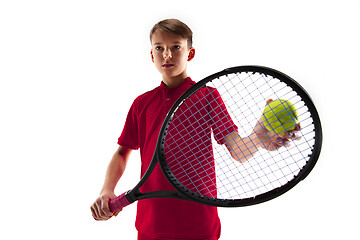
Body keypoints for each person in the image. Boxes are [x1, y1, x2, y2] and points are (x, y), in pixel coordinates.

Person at [90, 18, 299, 240]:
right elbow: (123, 152)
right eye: (159, 48)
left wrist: (258, 136)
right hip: (151, 224)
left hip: (199, 224)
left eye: (175, 47)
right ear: (152, 55)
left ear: (190, 53)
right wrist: (107, 190)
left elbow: (238, 151)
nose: (167, 55)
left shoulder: (207, 96)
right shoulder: (142, 103)